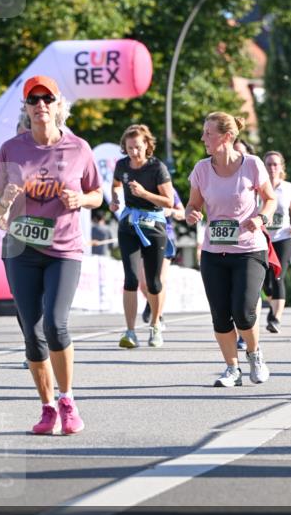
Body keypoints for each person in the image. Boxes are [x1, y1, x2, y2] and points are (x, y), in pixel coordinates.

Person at [0, 75, 103, 435]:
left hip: (64, 249)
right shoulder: (11, 149)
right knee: (32, 334)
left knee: (55, 324)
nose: (40, 105)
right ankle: (47, 407)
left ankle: (68, 400)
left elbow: (97, 194)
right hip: (20, 250)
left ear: (58, 106)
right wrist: (4, 201)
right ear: (25, 107)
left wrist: (81, 200)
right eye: (33, 99)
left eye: (47, 99)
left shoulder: (79, 149)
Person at [186, 112, 276, 387]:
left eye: (208, 134)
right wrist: (191, 214)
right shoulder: (201, 169)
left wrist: (261, 218)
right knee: (220, 313)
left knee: (244, 311)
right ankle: (231, 368)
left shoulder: (252, 165)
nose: (203, 138)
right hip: (214, 252)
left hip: (249, 249)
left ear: (226, 137)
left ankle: (254, 354)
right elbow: (193, 204)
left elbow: (269, 199)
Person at [110, 124, 174, 349]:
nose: (134, 152)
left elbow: (169, 202)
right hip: (128, 224)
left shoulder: (157, 168)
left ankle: (155, 325)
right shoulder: (122, 165)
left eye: (138, 147)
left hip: (154, 225)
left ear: (147, 145)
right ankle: (130, 331)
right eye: (129, 148)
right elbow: (116, 185)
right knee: (130, 279)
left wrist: (145, 193)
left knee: (154, 283)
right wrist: (116, 200)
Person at [262, 151, 291, 334]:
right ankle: (273, 306)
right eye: (269, 164)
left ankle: (275, 318)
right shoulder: (258, 187)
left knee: (278, 276)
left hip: (283, 237)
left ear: (281, 167)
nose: (272, 168)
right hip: (262, 237)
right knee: (265, 283)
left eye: (275, 164)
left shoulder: (288, 188)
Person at [140, 186, 185, 327]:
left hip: (165, 237)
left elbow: (182, 213)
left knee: (160, 280)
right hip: (143, 236)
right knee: (143, 284)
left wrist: (170, 211)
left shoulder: (168, 189)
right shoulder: (138, 188)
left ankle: (157, 318)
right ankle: (152, 302)